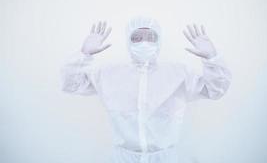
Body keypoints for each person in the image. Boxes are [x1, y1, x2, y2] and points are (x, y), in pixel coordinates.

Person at [60, 16, 232, 163]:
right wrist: (84, 54)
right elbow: (71, 84)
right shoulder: (108, 74)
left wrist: (212, 58)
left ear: (159, 41)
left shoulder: (179, 73)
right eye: (137, 37)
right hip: (122, 159)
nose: (144, 42)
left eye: (150, 37)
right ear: (128, 40)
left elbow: (215, 90)